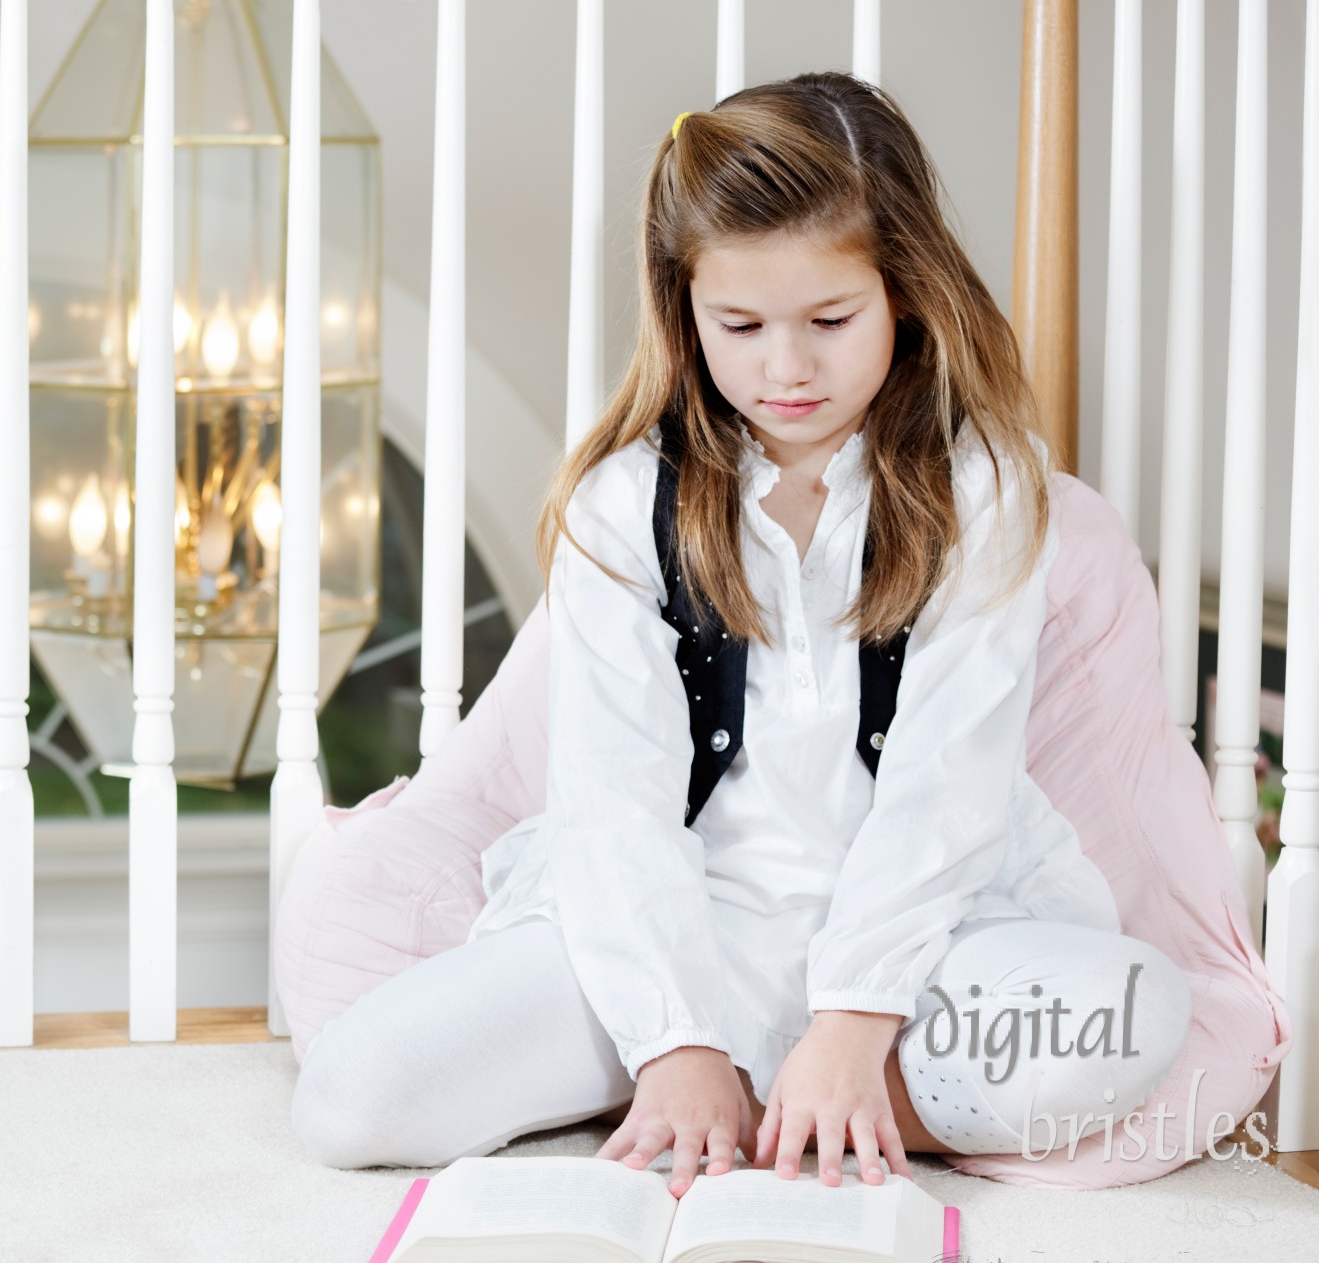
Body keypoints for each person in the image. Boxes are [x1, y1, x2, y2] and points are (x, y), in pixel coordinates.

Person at [289, 72, 1192, 1193]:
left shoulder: (987, 494)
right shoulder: (623, 506)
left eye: (828, 321)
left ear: (904, 293)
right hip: (679, 933)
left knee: (1135, 1017)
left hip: (925, 949)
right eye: (740, 326)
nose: (785, 367)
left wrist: (854, 1021)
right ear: (683, 311)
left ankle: (808, 1098)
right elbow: (614, 800)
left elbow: (944, 788)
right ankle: (705, 1088)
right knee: (347, 1098)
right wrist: (671, 1036)